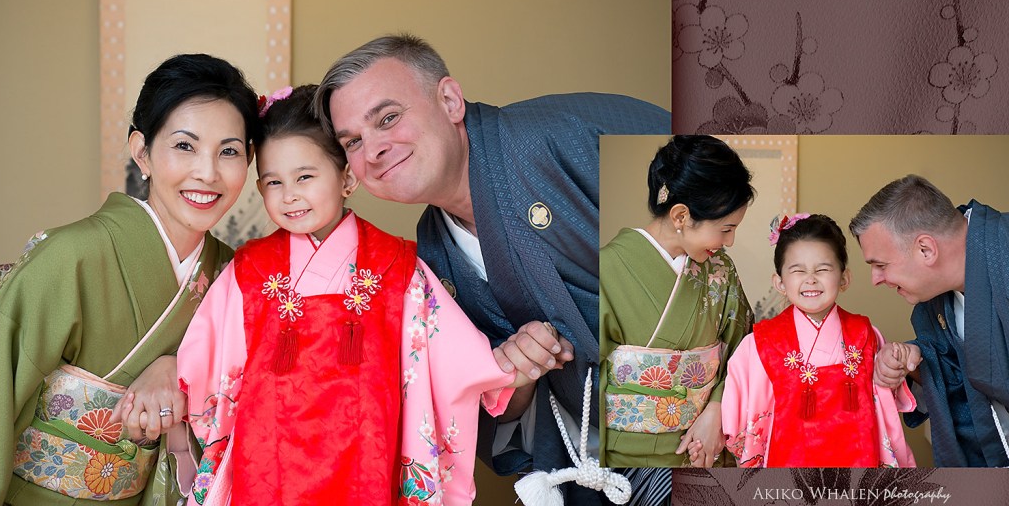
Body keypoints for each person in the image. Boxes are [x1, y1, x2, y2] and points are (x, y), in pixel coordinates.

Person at [314, 33, 671, 505]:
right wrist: (515, 374)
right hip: (597, 461)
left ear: (449, 100)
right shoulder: (433, 252)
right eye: (354, 141)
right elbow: (491, 410)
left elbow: (708, 188)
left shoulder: (560, 135)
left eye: (388, 118)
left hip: (702, 430)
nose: (374, 149)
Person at [176, 85, 543, 506]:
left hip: (369, 456)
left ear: (347, 177)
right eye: (274, 182)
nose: (289, 195)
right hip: (267, 463)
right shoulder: (250, 270)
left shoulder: (394, 266)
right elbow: (207, 368)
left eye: (305, 177)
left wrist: (503, 368)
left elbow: (447, 357)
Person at [0, 54, 258, 505]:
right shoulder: (71, 256)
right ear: (141, 151)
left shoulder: (236, 276)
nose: (208, 173)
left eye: (229, 151)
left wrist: (179, 367)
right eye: (185, 146)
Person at [599, 136, 754, 469]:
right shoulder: (606, 268)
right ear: (681, 215)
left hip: (707, 449)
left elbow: (744, 351)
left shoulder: (721, 269)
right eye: (726, 228)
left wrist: (716, 409)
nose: (730, 241)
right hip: (627, 461)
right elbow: (584, 380)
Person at [721, 214, 917, 467]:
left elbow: (885, 402)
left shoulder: (865, 335)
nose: (811, 279)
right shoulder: (760, 343)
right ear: (779, 282)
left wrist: (895, 362)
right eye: (798, 270)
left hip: (859, 458)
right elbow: (740, 417)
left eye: (822, 269)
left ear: (844, 278)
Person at [851, 174, 1009, 467]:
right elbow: (963, 377)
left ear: (926, 249)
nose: (875, 279)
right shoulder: (932, 305)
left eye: (881, 265)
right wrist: (911, 362)